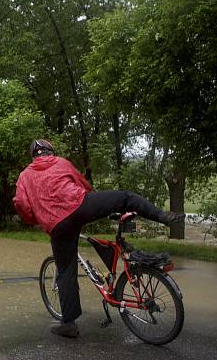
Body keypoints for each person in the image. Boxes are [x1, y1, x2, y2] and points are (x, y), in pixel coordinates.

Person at [13, 139, 184, 338]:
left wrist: (36, 218)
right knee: (125, 197)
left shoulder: (25, 176)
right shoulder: (61, 162)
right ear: (50, 151)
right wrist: (96, 206)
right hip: (79, 205)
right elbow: (82, 183)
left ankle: (69, 324)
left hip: (57, 224)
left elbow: (21, 204)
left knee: (65, 272)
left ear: (33, 156)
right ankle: (162, 217)